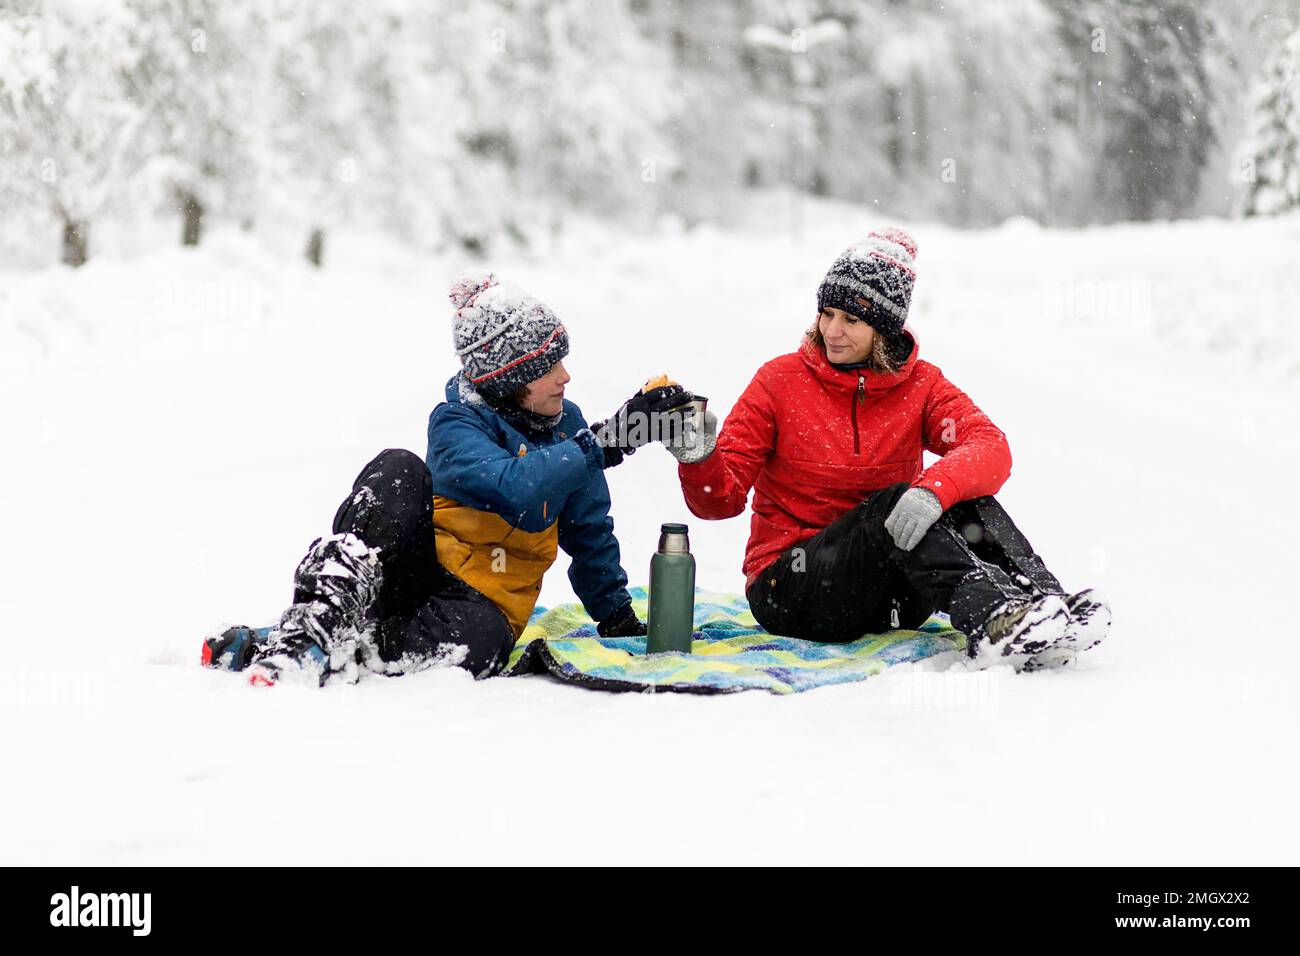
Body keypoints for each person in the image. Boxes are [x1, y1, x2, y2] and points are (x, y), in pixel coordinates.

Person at [209, 272, 695, 686]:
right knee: (398, 469)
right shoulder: (456, 422)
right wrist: (608, 441)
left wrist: (616, 618)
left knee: (477, 649)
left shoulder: (569, 427)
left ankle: (348, 650)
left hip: (485, 605)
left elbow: (589, 532)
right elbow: (512, 485)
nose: (565, 376)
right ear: (509, 376)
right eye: (549, 367)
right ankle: (314, 624)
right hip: (414, 576)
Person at [664, 228, 1111, 670]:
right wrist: (699, 458)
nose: (833, 330)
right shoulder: (778, 381)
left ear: (884, 329)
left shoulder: (921, 384)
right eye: (827, 313)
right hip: (793, 589)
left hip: (891, 599)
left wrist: (936, 490)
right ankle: (991, 621)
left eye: (852, 320)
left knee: (959, 493)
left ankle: (1044, 606)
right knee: (897, 500)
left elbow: (990, 446)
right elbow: (717, 503)